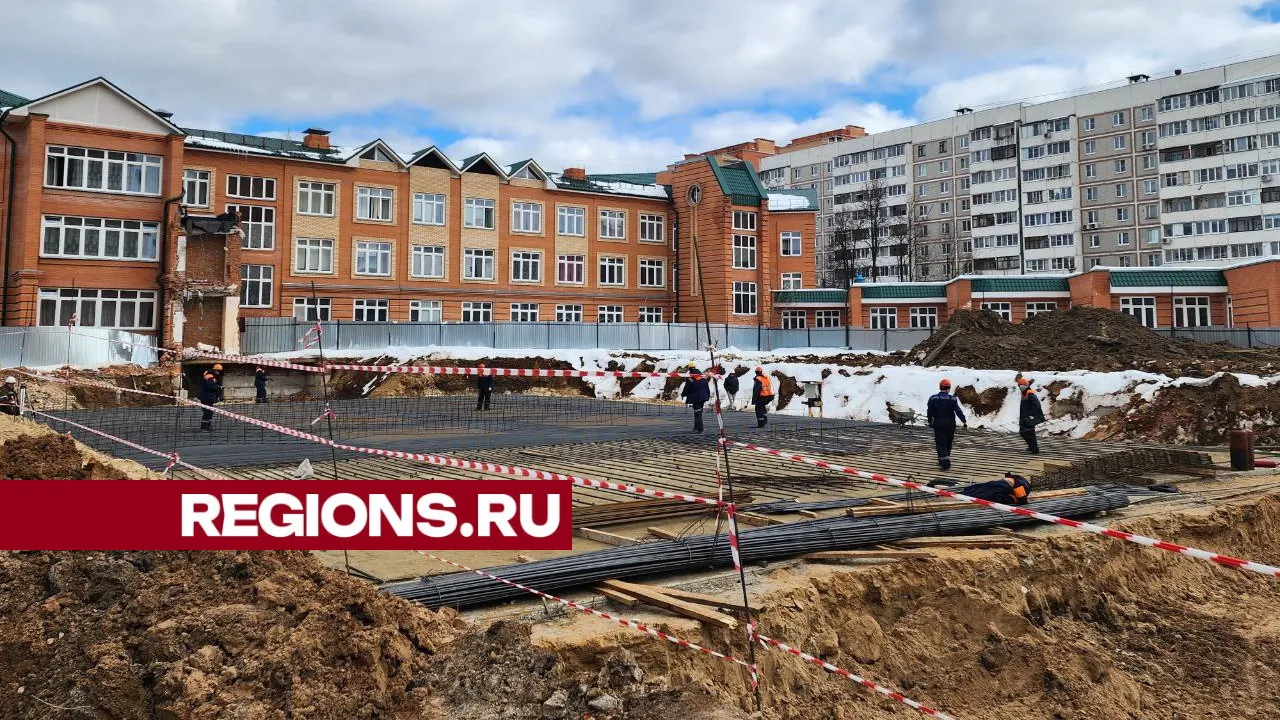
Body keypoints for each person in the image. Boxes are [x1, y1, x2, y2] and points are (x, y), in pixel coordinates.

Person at [926, 379, 967, 470]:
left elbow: (930, 411)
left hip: (939, 424)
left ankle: (945, 463)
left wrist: (929, 420)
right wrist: (964, 421)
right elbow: (958, 411)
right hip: (951, 424)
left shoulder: (933, 398)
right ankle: (945, 459)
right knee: (948, 442)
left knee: (941, 443)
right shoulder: (952, 399)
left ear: (940, 387)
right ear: (948, 388)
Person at [961, 472, 1032, 505]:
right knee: (989, 494)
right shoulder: (1022, 487)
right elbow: (1023, 501)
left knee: (985, 486)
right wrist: (1015, 500)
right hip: (1005, 485)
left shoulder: (1019, 481)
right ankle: (968, 495)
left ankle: (966, 493)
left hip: (1003, 483)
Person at [680, 362, 711, 433]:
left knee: (697, 413)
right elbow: (707, 387)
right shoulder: (702, 376)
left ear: (689, 368)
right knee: (698, 413)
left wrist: (683, 394)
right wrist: (707, 395)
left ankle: (700, 429)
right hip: (703, 397)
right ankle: (696, 427)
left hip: (696, 398)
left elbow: (687, 388)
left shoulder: (690, 377)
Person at [1018, 377, 1045, 454]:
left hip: (1029, 417)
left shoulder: (1030, 393)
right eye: (1020, 386)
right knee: (1029, 433)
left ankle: (1034, 448)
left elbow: (1036, 405)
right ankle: (1033, 447)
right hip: (1024, 417)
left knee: (1025, 432)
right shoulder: (1025, 392)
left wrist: (1032, 415)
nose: (1021, 388)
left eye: (1023, 386)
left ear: (1026, 386)